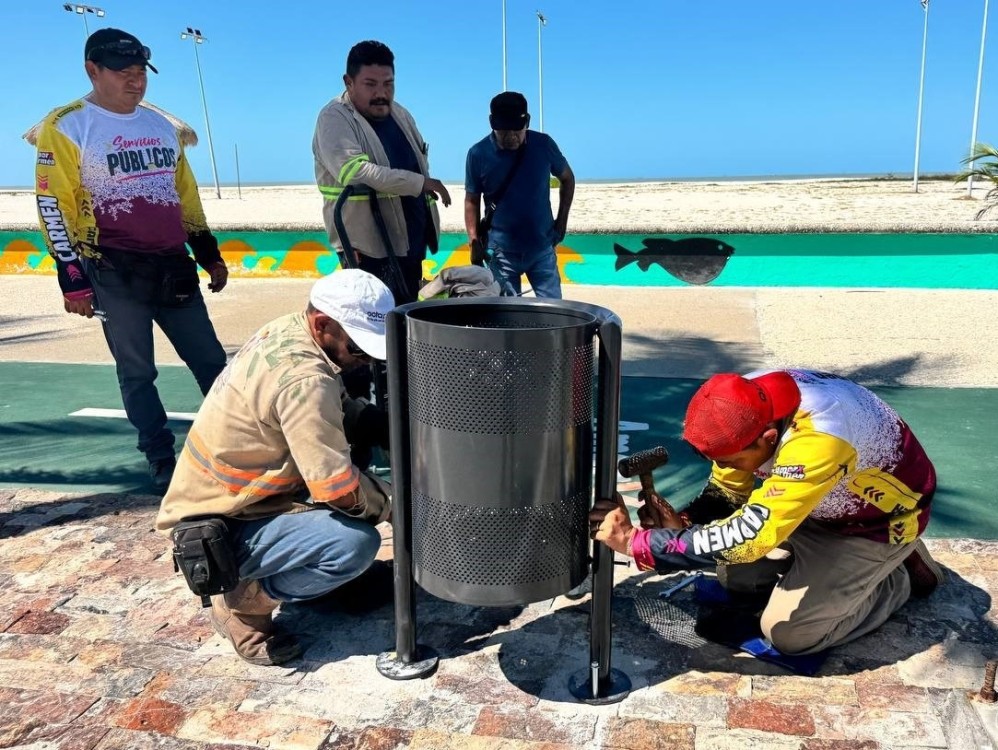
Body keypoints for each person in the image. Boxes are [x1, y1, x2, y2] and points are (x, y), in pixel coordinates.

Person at [590, 369, 945, 657]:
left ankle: (894, 577)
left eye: (728, 460)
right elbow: (729, 492)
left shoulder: (820, 439)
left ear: (769, 438)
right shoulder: (744, 405)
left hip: (875, 526)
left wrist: (639, 543)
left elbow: (750, 538)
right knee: (736, 578)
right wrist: (682, 525)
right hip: (814, 507)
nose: (721, 466)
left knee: (791, 634)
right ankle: (842, 575)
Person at [156, 269, 395, 666]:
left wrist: (372, 421)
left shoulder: (292, 330)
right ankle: (241, 605)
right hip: (222, 523)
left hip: (249, 497)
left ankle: (309, 576)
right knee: (354, 545)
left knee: (350, 496)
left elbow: (324, 412)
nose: (365, 359)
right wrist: (394, 505)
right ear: (322, 324)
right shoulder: (304, 379)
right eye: (359, 349)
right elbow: (336, 489)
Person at [34, 28, 229, 490]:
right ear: (92, 71)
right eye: (123, 72)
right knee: (138, 372)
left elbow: (186, 195)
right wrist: (71, 278)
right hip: (112, 269)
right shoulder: (66, 126)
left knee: (213, 363)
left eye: (141, 72)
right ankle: (161, 457)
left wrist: (207, 252)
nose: (136, 82)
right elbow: (51, 205)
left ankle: (237, 445)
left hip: (173, 266)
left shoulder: (161, 126)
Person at [312, 39, 451, 306]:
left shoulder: (400, 113)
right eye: (370, 84)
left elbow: (418, 161)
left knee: (407, 313)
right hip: (367, 244)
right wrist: (420, 183)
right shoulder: (334, 118)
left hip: (409, 239)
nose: (381, 93)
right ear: (348, 82)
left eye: (388, 84)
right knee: (376, 318)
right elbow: (355, 171)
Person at [464, 91, 576, 299]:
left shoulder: (544, 145)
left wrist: (561, 222)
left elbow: (568, 179)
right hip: (500, 253)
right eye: (503, 131)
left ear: (527, 122)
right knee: (508, 316)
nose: (511, 137)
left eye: (517, 130)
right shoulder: (477, 154)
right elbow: (471, 200)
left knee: (553, 313)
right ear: (491, 123)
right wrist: (473, 240)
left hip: (542, 247)